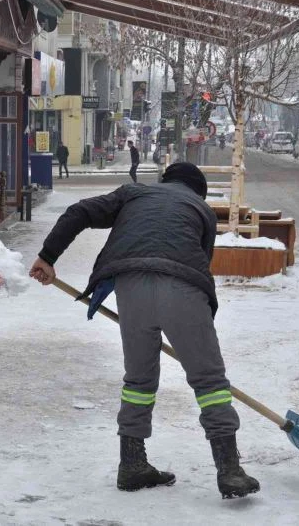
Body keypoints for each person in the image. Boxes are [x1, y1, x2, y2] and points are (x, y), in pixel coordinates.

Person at [28, 162, 260, 499]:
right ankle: (229, 470)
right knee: (209, 382)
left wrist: (48, 256)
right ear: (198, 189)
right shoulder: (201, 208)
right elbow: (201, 263)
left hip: (130, 284)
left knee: (139, 380)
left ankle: (132, 463)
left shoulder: (134, 193)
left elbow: (79, 212)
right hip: (182, 286)